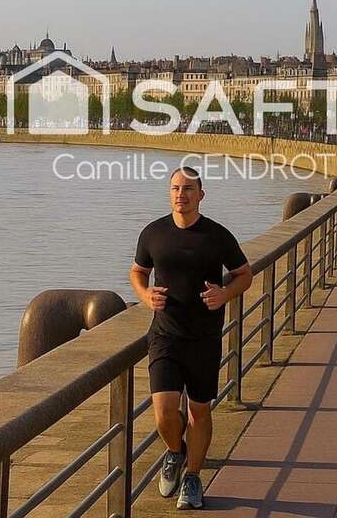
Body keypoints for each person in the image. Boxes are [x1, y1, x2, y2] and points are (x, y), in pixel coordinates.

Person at [130, 167, 253, 510]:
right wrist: (145, 294)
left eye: (187, 189)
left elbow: (244, 275)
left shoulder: (217, 236)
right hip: (165, 335)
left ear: (201, 195)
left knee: (199, 410)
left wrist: (225, 294)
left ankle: (193, 477)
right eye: (175, 188)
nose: (180, 195)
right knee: (164, 413)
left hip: (204, 338)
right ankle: (175, 450)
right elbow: (137, 271)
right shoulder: (153, 233)